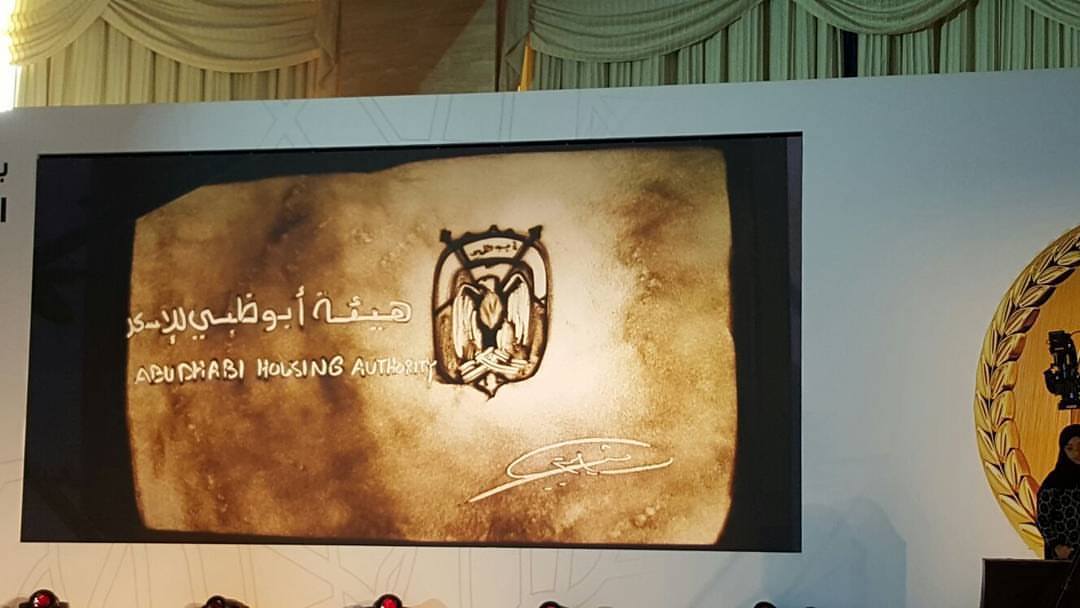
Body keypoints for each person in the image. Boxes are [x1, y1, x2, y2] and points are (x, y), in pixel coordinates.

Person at [1038, 424, 1080, 559]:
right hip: (1063, 557)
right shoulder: (1053, 482)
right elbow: (1043, 519)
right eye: (1070, 448)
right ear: (1063, 450)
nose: (1076, 453)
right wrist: (1057, 546)